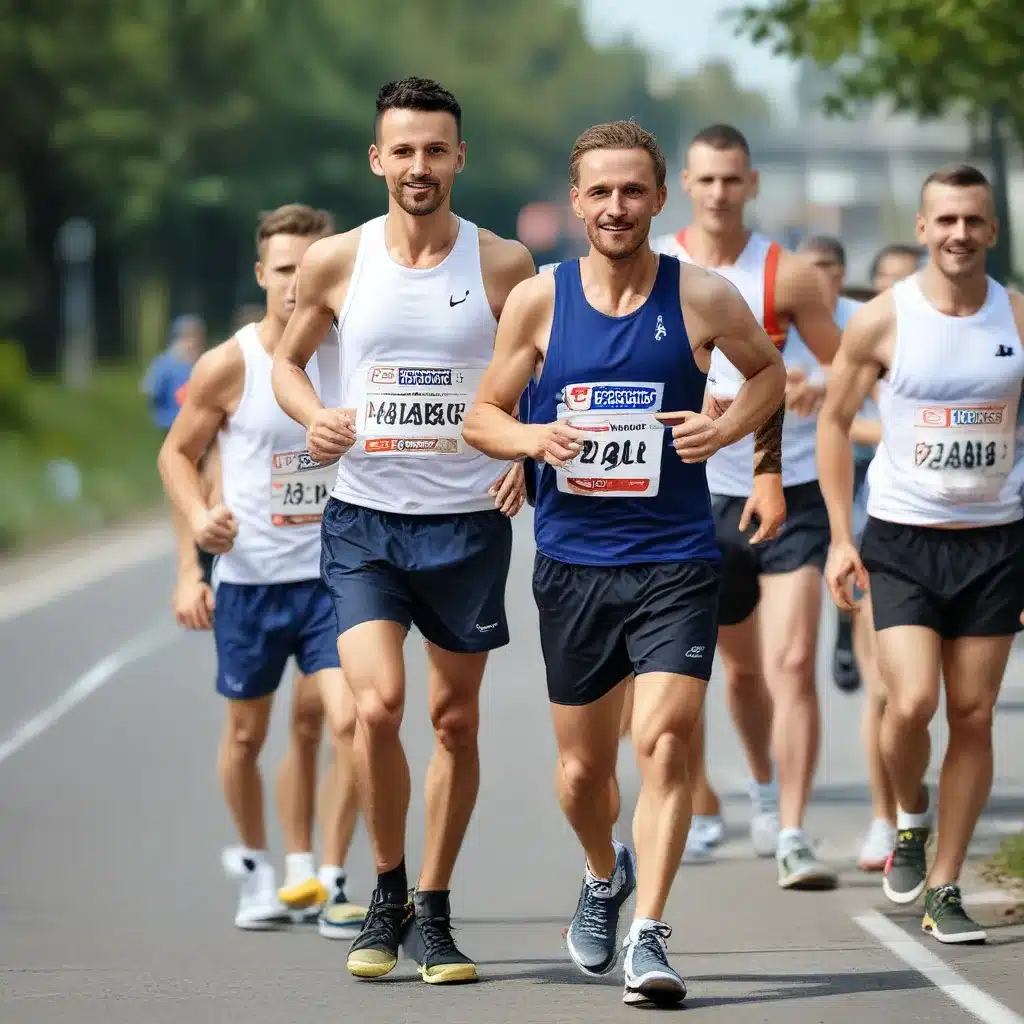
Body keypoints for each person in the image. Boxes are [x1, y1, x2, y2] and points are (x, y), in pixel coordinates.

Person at [463, 119, 786, 1008]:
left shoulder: (703, 297)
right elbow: (481, 415)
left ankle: (650, 930)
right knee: (581, 778)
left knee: (669, 739)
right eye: (600, 192)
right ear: (576, 202)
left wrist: (725, 427)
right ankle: (605, 873)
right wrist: (532, 438)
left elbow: (770, 376)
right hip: (573, 564)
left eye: (633, 191)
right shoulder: (539, 299)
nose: (616, 207)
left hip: (677, 560)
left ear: (658, 198)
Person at [271, 77, 531, 985]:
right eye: (404, 151)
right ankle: (385, 890)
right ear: (377, 159)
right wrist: (312, 417)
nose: (420, 167)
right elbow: (289, 362)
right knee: (376, 706)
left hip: (465, 524)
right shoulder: (337, 262)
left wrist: (525, 453)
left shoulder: (504, 266)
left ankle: (436, 906)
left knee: (453, 721)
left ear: (460, 157)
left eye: (436, 150)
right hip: (367, 520)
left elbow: (531, 375)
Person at [818, 164, 1024, 944]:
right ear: (922, 226)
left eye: (973, 221)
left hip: (995, 542)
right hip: (902, 539)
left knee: (972, 715)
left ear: (992, 230)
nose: (960, 235)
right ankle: (911, 814)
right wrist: (841, 536)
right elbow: (835, 424)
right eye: (946, 221)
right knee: (910, 704)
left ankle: (945, 887)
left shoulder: (1017, 317)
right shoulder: (881, 319)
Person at [158, 203, 366, 936]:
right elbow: (177, 456)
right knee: (247, 737)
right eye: (283, 270)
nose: (294, 284)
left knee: (349, 721)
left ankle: (331, 877)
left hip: (337, 579)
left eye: (309, 269)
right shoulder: (229, 364)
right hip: (250, 582)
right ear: (263, 274)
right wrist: (194, 555)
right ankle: (256, 866)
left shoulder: (349, 356)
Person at [651, 125, 841, 887]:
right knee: (726, 670)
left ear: (752, 184)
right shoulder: (659, 266)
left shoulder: (788, 275)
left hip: (789, 487)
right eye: (706, 180)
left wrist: (824, 387)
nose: (720, 193)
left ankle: (791, 828)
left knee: (793, 662)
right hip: (696, 493)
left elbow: (847, 365)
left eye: (733, 179)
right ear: (685, 188)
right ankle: (728, 799)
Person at [143, 314, 206, 431]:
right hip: (170, 423)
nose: (192, 343)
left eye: (197, 337)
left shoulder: (205, 363)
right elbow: (153, 393)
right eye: (187, 337)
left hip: (199, 426)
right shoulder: (164, 364)